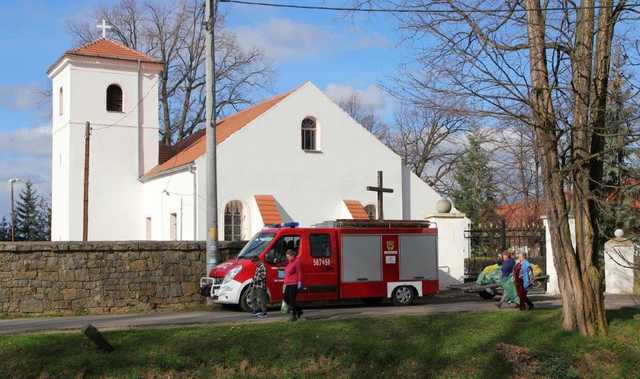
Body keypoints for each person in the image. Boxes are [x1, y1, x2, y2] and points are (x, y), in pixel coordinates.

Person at [283, 249, 303, 321]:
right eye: (287, 256)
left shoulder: (297, 261)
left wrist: (299, 282)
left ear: (292, 256)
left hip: (294, 284)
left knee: (292, 300)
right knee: (286, 299)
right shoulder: (289, 263)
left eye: (288, 256)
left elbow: (299, 272)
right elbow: (286, 274)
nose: (287, 258)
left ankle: (293, 316)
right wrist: (284, 283)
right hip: (287, 283)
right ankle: (299, 310)